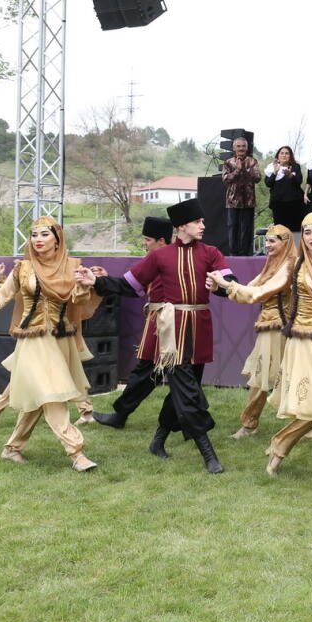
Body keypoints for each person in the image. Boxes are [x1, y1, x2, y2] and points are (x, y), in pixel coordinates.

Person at [210, 212, 312, 489]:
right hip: (302, 343)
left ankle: (278, 449)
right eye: (307, 232)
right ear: (301, 238)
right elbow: (259, 291)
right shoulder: (295, 266)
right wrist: (227, 287)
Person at [78, 198, 229, 474]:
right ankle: (208, 453)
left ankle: (158, 439)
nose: (203, 225)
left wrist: (218, 286)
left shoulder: (211, 253)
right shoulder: (160, 256)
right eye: (198, 221)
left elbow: (230, 284)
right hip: (171, 334)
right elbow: (128, 284)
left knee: (184, 390)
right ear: (182, 225)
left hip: (199, 329)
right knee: (186, 391)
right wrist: (96, 281)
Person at [0, 217, 99, 471]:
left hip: (61, 340)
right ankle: (76, 453)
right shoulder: (22, 269)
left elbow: (78, 302)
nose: (37, 239)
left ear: (57, 238)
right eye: (34, 235)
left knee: (39, 397)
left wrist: (83, 284)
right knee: (52, 395)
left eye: (44, 234)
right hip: (33, 342)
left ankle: (12, 448)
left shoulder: (71, 267)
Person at [228, 225, 297, 439]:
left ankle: (303, 425)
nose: (267, 245)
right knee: (263, 377)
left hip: (281, 327)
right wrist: (226, 287)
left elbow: (259, 292)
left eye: (272, 241)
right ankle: (250, 424)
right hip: (268, 326)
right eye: (266, 241)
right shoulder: (272, 264)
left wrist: (226, 285)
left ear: (284, 243)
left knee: (281, 377)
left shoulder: (289, 266)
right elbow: (251, 286)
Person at [221, 134, 260, 256]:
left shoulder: (252, 161)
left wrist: (245, 170)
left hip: (248, 201)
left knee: (246, 228)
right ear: (234, 148)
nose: (241, 149)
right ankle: (233, 254)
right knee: (233, 227)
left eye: (243, 146)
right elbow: (225, 179)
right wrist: (237, 170)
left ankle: (244, 254)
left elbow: (257, 178)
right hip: (232, 201)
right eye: (238, 146)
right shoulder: (228, 162)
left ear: (247, 148)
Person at [264, 145, 303, 231]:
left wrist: (290, 175)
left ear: (290, 156)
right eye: (282, 153)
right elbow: (268, 183)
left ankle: (295, 244)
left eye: (287, 153)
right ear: (278, 156)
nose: (284, 155)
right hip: (278, 205)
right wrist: (275, 172)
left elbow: (299, 181)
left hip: (295, 204)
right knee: (280, 231)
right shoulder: (271, 167)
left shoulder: (295, 166)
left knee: (295, 230)